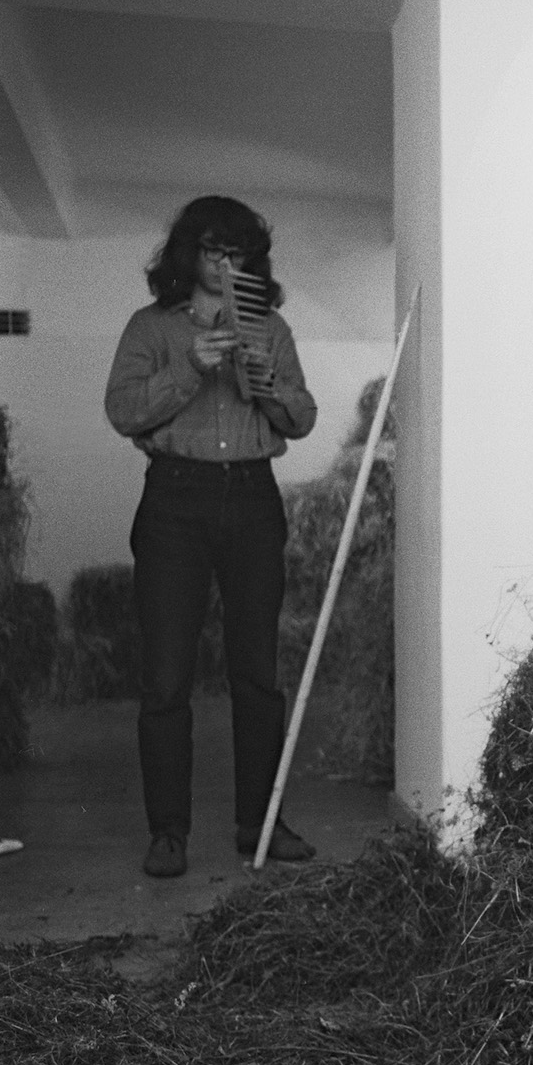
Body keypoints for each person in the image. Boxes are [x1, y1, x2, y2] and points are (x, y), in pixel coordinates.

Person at [104, 196, 318, 878]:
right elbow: (122, 411)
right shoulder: (150, 326)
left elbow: (302, 419)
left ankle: (261, 824)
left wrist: (267, 382)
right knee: (167, 677)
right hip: (175, 500)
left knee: (257, 673)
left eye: (238, 253)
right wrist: (190, 366)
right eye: (214, 251)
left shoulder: (271, 327)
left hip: (253, 496)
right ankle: (168, 833)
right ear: (188, 254)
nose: (226, 264)